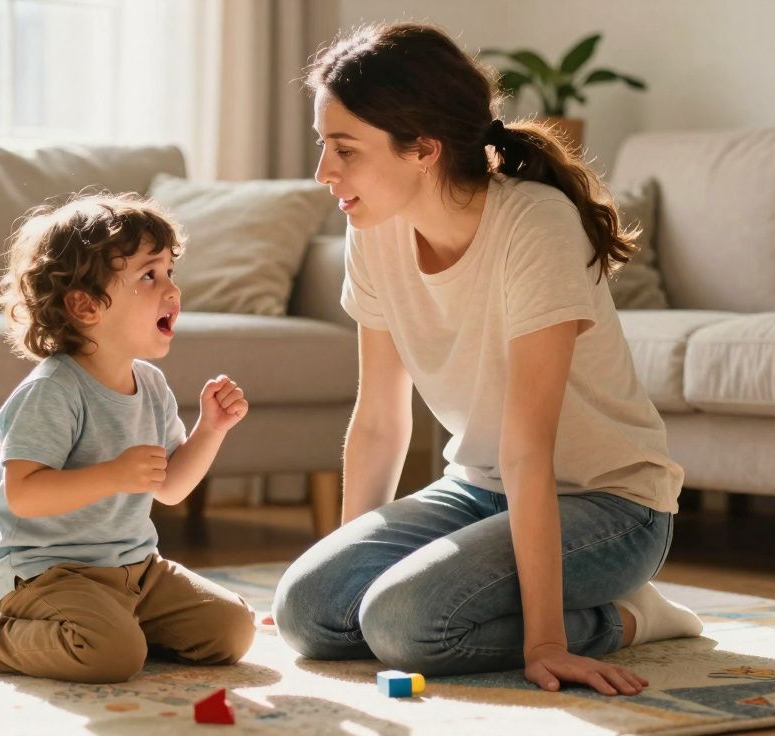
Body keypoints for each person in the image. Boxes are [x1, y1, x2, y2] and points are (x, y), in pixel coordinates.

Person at [271, 22, 702, 696]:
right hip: (479, 491)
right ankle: (488, 601)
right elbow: (381, 422)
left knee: (404, 627)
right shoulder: (374, 231)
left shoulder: (535, 228)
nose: (325, 173)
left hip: (610, 504)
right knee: (305, 612)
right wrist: (345, 565)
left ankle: (627, 617)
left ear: (423, 149)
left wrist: (546, 644)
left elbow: (530, 447)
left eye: (344, 150)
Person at [0, 193, 256, 683]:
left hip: (137, 569)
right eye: (149, 275)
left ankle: (114, 627)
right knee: (110, 658)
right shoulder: (53, 390)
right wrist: (113, 475)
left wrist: (211, 430)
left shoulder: (152, 385)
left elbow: (171, 487)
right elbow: (24, 496)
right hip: (45, 572)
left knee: (232, 630)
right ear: (86, 305)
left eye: (170, 273)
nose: (172, 290)